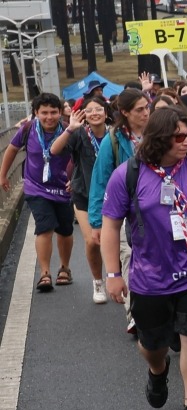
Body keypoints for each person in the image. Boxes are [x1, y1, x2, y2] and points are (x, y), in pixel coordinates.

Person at [99, 107, 187, 410]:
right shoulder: (127, 175)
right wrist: (114, 275)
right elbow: (110, 227)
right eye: (178, 137)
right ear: (160, 138)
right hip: (149, 278)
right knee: (152, 344)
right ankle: (158, 370)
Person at [89, 89, 151, 331]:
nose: (146, 113)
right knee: (127, 256)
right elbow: (100, 180)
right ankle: (134, 312)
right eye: (139, 109)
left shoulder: (158, 133)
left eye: (147, 107)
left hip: (156, 208)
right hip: (125, 211)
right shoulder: (113, 140)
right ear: (125, 113)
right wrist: (97, 222)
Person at [1, 93, 73, 292]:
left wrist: (75, 180)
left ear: (60, 113)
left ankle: (65, 268)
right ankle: (44, 273)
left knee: (66, 229)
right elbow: (12, 150)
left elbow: (79, 157)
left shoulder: (69, 130)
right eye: (44, 113)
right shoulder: (27, 129)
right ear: (36, 113)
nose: (49, 117)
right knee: (45, 226)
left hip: (63, 187)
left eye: (53, 112)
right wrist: (3, 175)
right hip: (36, 187)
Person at [50, 95, 111, 303]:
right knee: (93, 240)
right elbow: (54, 151)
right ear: (84, 114)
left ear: (106, 113)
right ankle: (97, 282)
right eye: (90, 110)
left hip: (114, 196)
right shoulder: (79, 134)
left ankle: (120, 277)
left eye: (99, 109)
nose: (95, 113)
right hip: (84, 193)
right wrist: (70, 128)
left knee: (121, 242)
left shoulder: (116, 135)